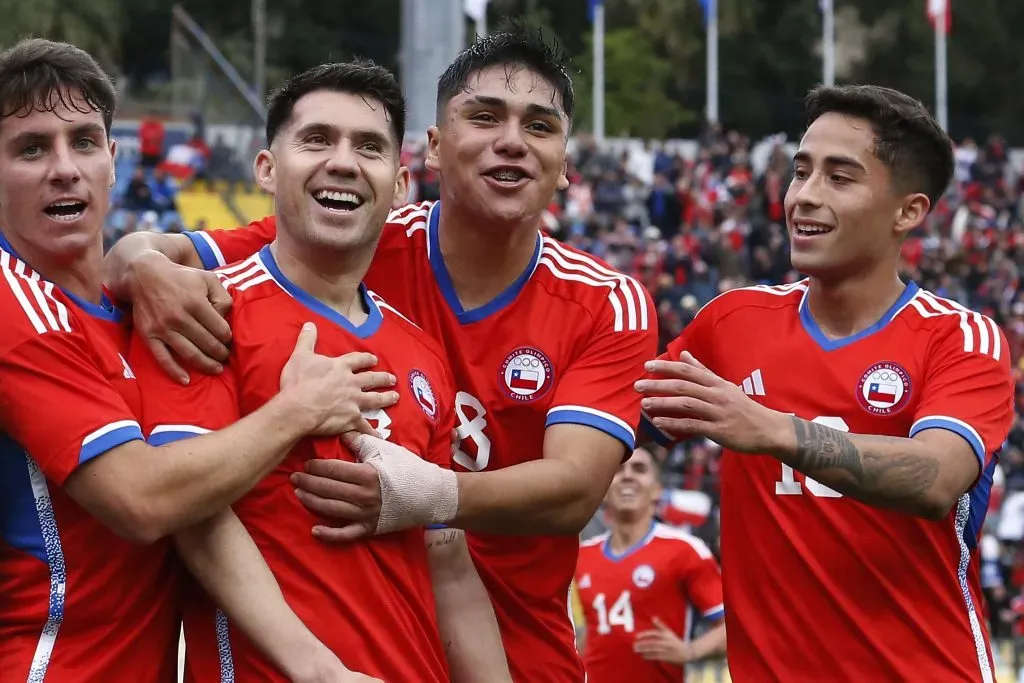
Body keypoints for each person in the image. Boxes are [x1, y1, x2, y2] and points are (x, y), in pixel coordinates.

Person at [103, 25, 658, 682]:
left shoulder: (605, 302)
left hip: (517, 647)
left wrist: (430, 493)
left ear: (566, 163)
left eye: (539, 126)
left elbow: (570, 491)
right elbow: (158, 256)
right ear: (431, 150)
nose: (511, 140)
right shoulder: (343, 237)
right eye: (484, 117)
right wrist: (139, 262)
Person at [0, 38, 393, 682]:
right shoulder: (16, 309)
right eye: (31, 148)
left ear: (114, 160)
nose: (64, 168)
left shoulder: (124, 299)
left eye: (84, 142)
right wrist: (297, 411)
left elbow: (297, 233)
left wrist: (144, 256)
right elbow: (140, 501)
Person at [129, 60, 510, 683]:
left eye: (369, 147)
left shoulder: (421, 353)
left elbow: (448, 565)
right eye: (316, 140)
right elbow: (189, 513)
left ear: (402, 184)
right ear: (266, 168)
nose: (343, 161)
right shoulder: (206, 310)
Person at [636, 84, 1014, 682]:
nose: (804, 198)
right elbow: (609, 430)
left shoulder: (961, 338)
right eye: (800, 172)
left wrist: (773, 430)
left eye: (840, 178)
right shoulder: (732, 322)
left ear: (908, 211)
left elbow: (936, 476)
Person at [573, 447, 726, 682]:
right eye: (618, 470)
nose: (627, 476)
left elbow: (731, 626)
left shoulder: (685, 550)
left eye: (639, 469)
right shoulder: (581, 555)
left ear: (657, 490)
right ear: (603, 491)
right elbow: (593, 628)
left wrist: (690, 651)